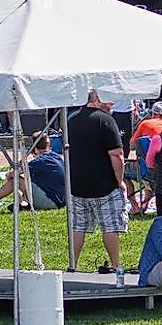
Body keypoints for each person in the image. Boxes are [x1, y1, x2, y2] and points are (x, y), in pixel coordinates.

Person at [67, 89, 130, 273]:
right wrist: (119, 181)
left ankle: (73, 265)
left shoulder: (70, 120)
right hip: (105, 185)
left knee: (77, 227)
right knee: (110, 226)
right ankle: (116, 265)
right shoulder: (106, 120)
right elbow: (117, 154)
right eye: (108, 100)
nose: (111, 104)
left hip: (77, 184)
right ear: (96, 99)